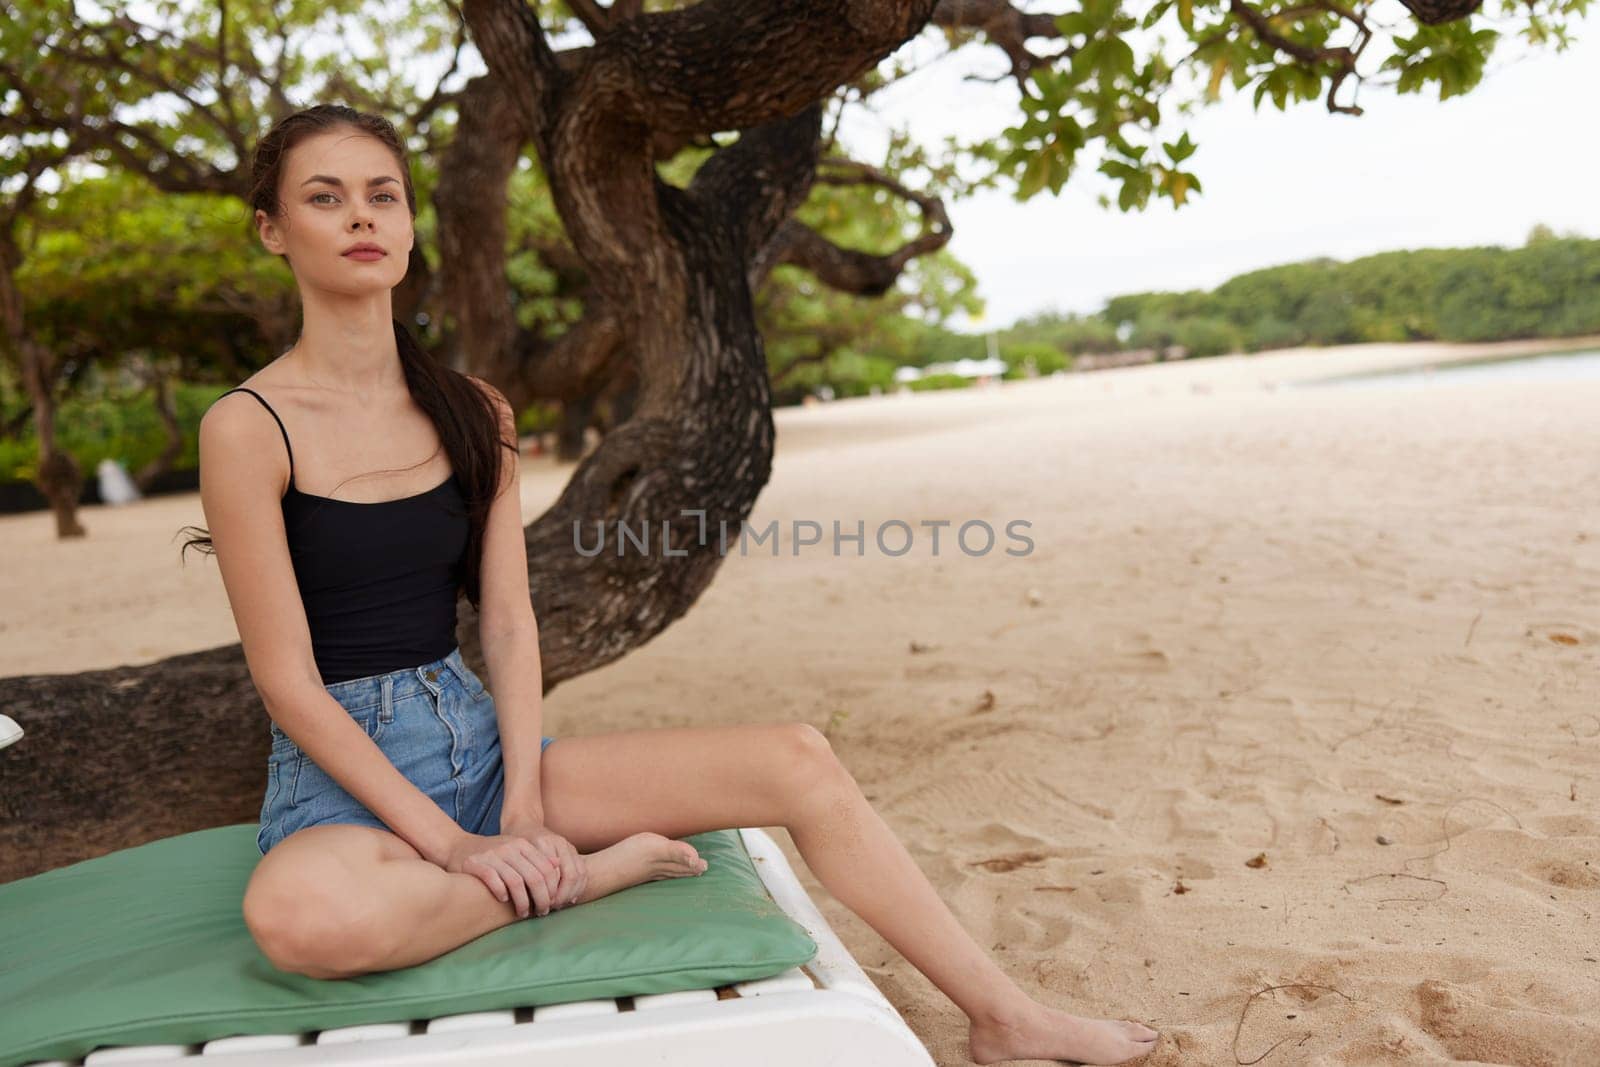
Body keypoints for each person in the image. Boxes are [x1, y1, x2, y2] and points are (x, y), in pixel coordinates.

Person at [180, 104, 1159, 1066]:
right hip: (343, 787)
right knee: (299, 918)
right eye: (325, 197)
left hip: (483, 747)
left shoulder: (474, 410)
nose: (362, 217)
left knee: (798, 759)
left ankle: (1004, 1013)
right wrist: (453, 844)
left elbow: (513, 626)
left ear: (404, 223)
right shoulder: (247, 426)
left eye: (382, 195)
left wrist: (518, 806)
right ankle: (581, 879)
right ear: (272, 228)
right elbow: (289, 682)